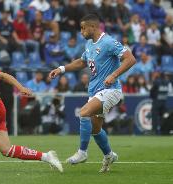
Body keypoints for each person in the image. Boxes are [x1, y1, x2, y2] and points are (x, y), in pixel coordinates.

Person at [49, 14, 136, 172]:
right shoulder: (89, 44)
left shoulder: (108, 42)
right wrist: (61, 69)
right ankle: (109, 155)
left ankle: (82, 152)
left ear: (93, 27)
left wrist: (114, 75)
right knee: (95, 129)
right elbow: (81, 62)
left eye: (83, 28)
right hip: (95, 91)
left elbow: (130, 59)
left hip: (110, 90)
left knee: (83, 113)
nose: (81, 31)